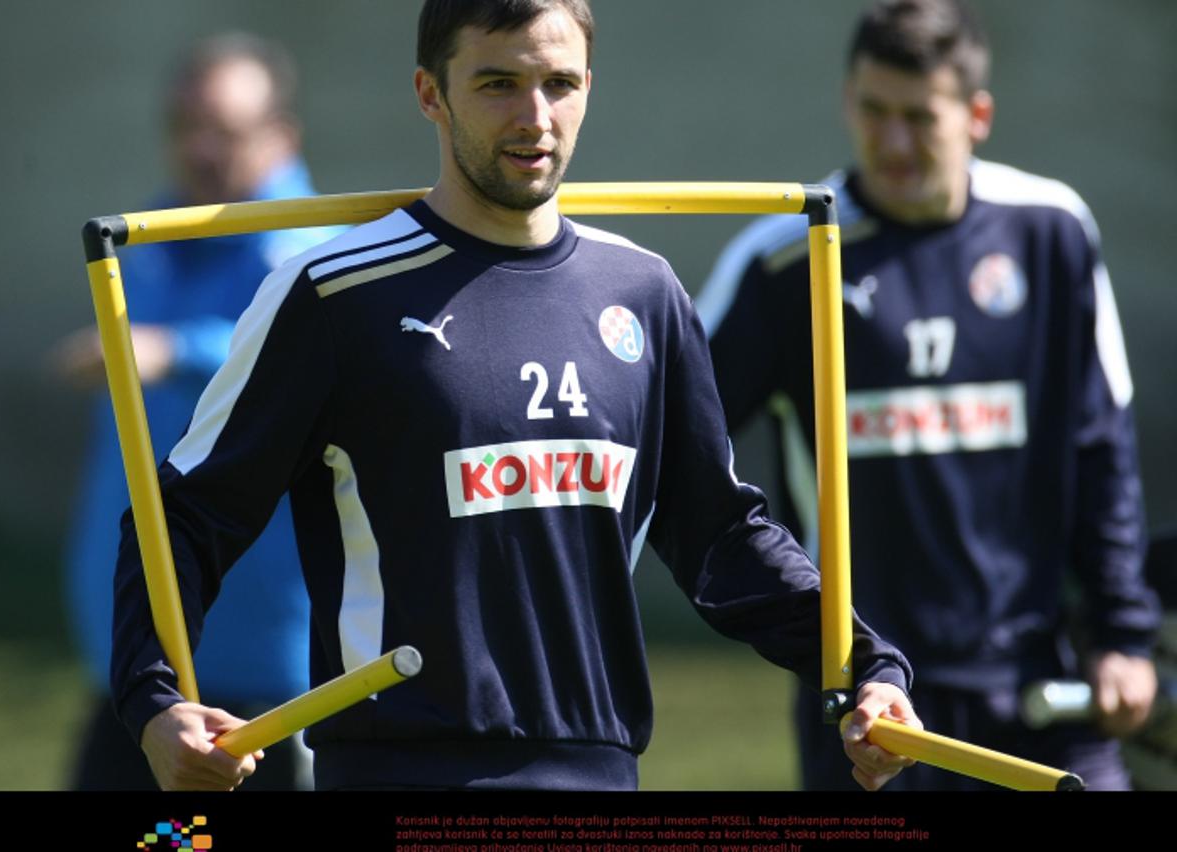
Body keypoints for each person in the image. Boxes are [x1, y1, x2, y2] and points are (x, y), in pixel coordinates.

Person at [111, 0, 920, 792]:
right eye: (498, 83)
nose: (535, 116)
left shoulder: (644, 293)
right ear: (431, 93)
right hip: (401, 774)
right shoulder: (334, 297)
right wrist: (156, 702)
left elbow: (721, 538)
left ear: (589, 87)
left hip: (602, 776)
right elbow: (183, 518)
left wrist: (862, 667)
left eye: (559, 84)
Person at [696, 0, 1160, 790]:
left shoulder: (1050, 232)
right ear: (848, 100)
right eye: (873, 111)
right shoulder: (787, 258)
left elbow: (1100, 447)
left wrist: (1123, 634)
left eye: (921, 116)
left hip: (1041, 682)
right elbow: (677, 450)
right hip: (873, 705)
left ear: (977, 114)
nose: (894, 140)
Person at [57, 33, 346, 790]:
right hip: (141, 678)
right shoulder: (154, 233)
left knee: (184, 844)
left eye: (225, 129)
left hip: (264, 697)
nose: (199, 148)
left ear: (282, 134)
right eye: (185, 126)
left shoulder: (314, 250)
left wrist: (174, 350)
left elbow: (301, 351)